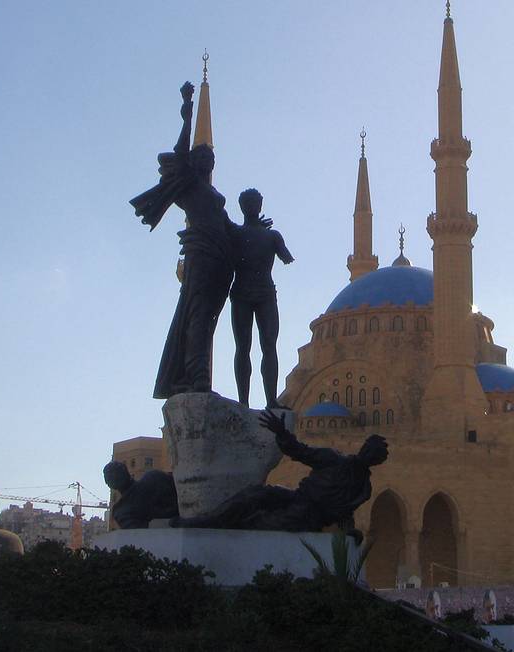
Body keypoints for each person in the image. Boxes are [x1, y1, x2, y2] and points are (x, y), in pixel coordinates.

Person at [130, 83, 270, 399]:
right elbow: (181, 153)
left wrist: (254, 229)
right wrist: (187, 112)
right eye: (204, 155)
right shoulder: (190, 185)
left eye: (212, 156)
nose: (210, 159)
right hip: (202, 256)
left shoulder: (213, 196)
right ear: (195, 162)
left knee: (208, 319)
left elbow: (230, 229)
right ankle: (197, 377)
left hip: (221, 263)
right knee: (198, 314)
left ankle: (197, 374)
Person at [171, 410, 388, 533]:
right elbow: (300, 451)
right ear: (364, 448)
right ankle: (203, 522)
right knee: (257, 494)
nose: (370, 455)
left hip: (310, 517)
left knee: (264, 524)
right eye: (370, 450)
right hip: (297, 497)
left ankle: (222, 532)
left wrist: (350, 532)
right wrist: (281, 432)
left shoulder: (363, 489)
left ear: (376, 461)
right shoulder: (333, 459)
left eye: (376, 455)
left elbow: (345, 513)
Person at [230, 188, 294, 408]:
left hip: (263, 293)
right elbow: (286, 256)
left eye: (254, 202)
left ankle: (269, 401)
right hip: (243, 293)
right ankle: (244, 401)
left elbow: (286, 256)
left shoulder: (268, 236)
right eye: (249, 203)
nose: (252, 206)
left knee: (267, 345)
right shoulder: (240, 234)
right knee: (244, 346)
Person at [103, 461, 178, 529]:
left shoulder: (153, 478)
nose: (114, 477)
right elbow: (138, 531)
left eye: (116, 473)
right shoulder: (120, 511)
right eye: (110, 476)